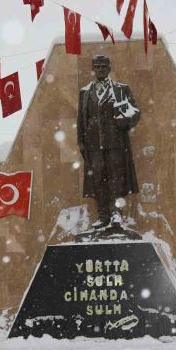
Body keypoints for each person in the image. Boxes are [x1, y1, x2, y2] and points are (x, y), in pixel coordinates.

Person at [77, 54, 141, 228]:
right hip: (93, 145)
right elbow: (81, 120)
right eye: (97, 66)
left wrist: (125, 119)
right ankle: (103, 214)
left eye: (103, 66)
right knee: (98, 179)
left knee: (116, 180)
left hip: (116, 144)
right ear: (93, 69)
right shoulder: (85, 92)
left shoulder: (121, 89)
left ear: (109, 68)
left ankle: (116, 214)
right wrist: (81, 142)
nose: (100, 69)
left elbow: (136, 112)